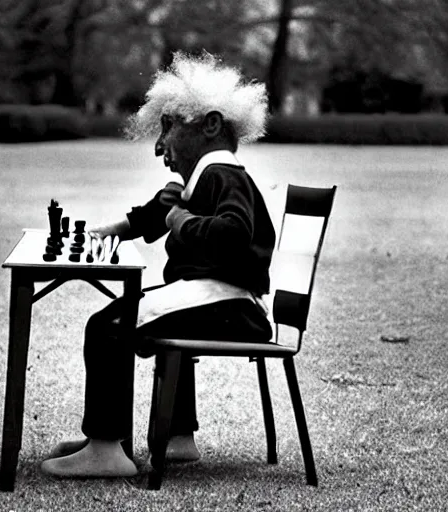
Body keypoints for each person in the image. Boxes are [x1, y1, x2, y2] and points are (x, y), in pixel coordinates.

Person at [41, 51, 276, 478]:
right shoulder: (202, 180)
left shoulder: (224, 176)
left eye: (168, 126)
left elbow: (233, 233)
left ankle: (106, 447)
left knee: (109, 326)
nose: (158, 145)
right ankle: (178, 436)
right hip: (220, 301)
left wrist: (181, 220)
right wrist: (107, 231)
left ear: (210, 125)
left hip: (232, 306)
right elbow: (151, 216)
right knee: (151, 313)